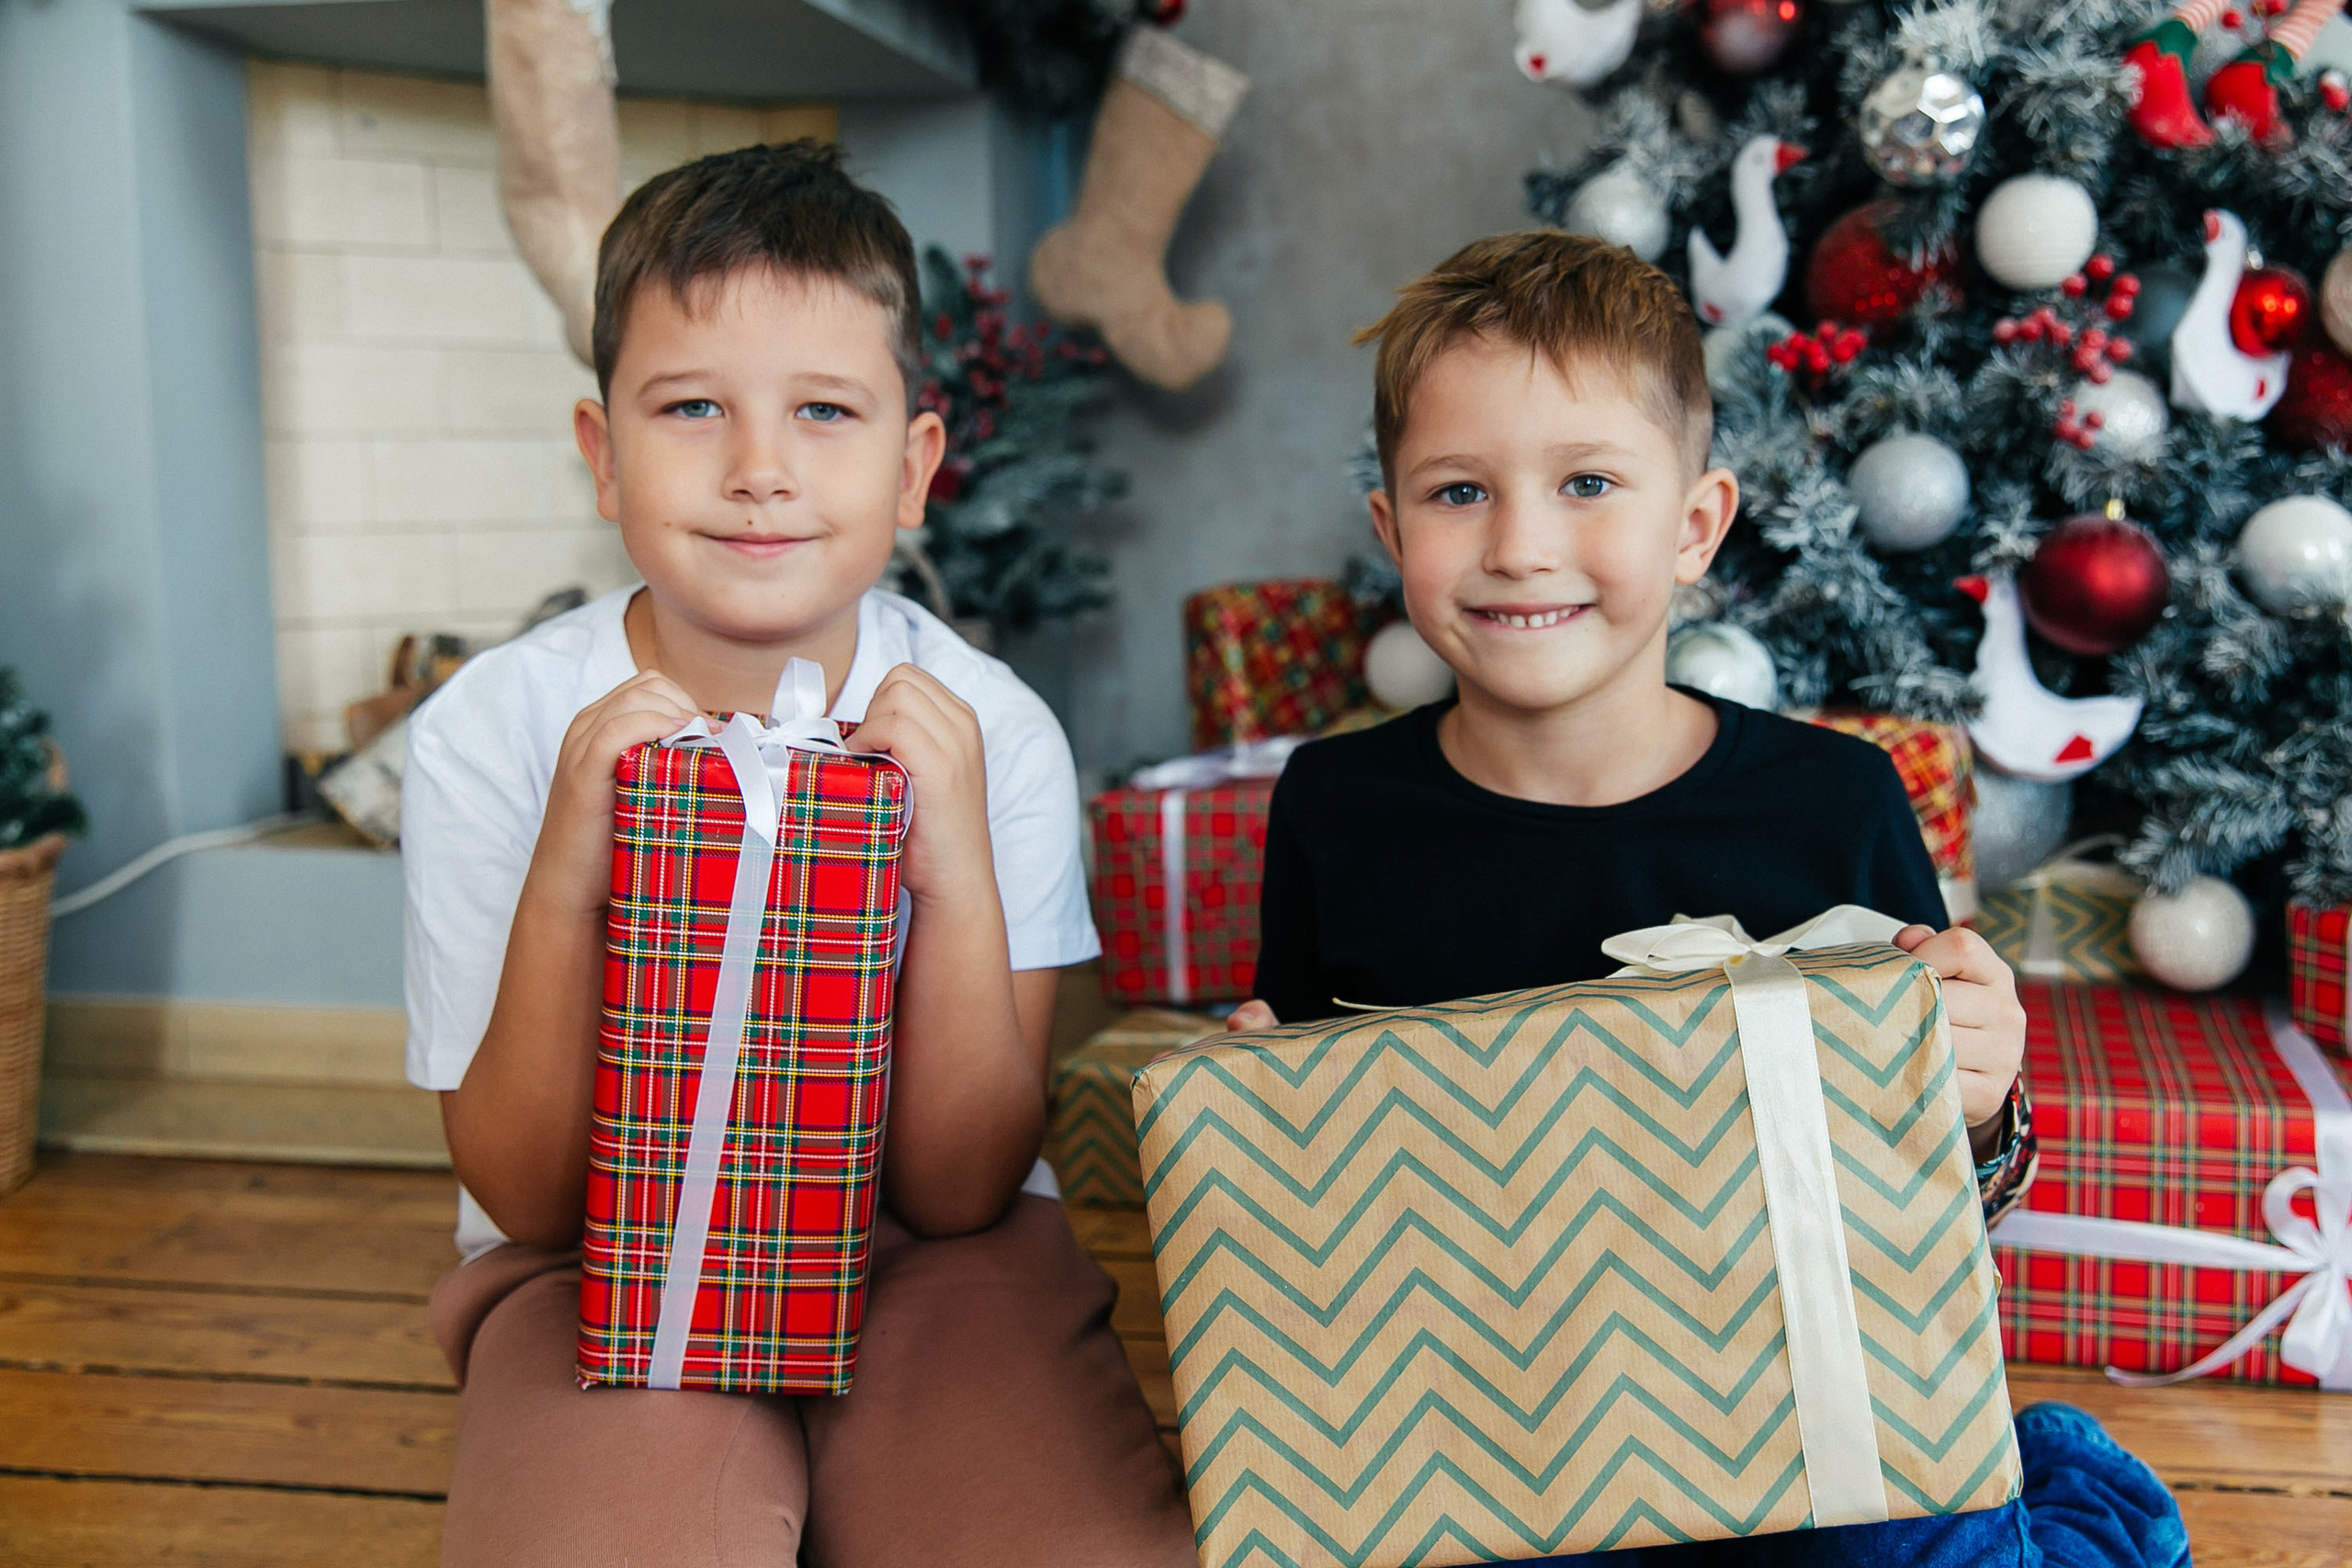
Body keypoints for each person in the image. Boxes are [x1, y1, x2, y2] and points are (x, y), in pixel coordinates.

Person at [1224, 231, 2187, 1568]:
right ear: (1390, 529)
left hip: (1790, 1396)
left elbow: (1938, 1216)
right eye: (1458, 492)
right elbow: (1322, 1180)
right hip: (1491, 1408)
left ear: (1693, 528)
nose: (1518, 544)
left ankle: (2068, 1489)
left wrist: (1975, 1101)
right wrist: (1262, 1116)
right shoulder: (1336, 803)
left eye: (1588, 484)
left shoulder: (1830, 802)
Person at [401, 141, 1193, 1567]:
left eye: (824, 411)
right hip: (603, 1260)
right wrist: (571, 864)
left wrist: (946, 859)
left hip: (928, 1254)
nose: (759, 469)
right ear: (602, 456)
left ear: (913, 469)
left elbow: (960, 1188)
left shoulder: (990, 734)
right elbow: (522, 1194)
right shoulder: (495, 732)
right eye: (692, 405)